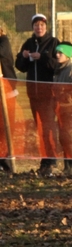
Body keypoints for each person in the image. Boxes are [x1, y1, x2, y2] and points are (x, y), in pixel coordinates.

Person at [15, 13, 60, 176]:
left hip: (48, 93)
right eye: (36, 25)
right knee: (39, 127)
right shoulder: (28, 43)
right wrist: (24, 57)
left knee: (48, 126)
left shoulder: (53, 42)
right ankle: (44, 160)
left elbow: (56, 65)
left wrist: (42, 57)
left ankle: (52, 159)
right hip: (32, 93)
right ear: (32, 27)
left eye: (41, 25)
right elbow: (20, 66)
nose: (38, 28)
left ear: (45, 27)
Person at [53, 41, 72, 174]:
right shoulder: (59, 69)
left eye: (60, 52)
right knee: (63, 137)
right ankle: (67, 166)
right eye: (57, 52)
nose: (57, 55)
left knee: (68, 137)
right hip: (60, 108)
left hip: (69, 109)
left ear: (67, 54)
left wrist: (64, 97)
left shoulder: (71, 69)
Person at [0, 23, 17, 172]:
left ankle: (7, 158)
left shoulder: (3, 41)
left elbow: (2, 53)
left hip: (8, 87)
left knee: (6, 125)